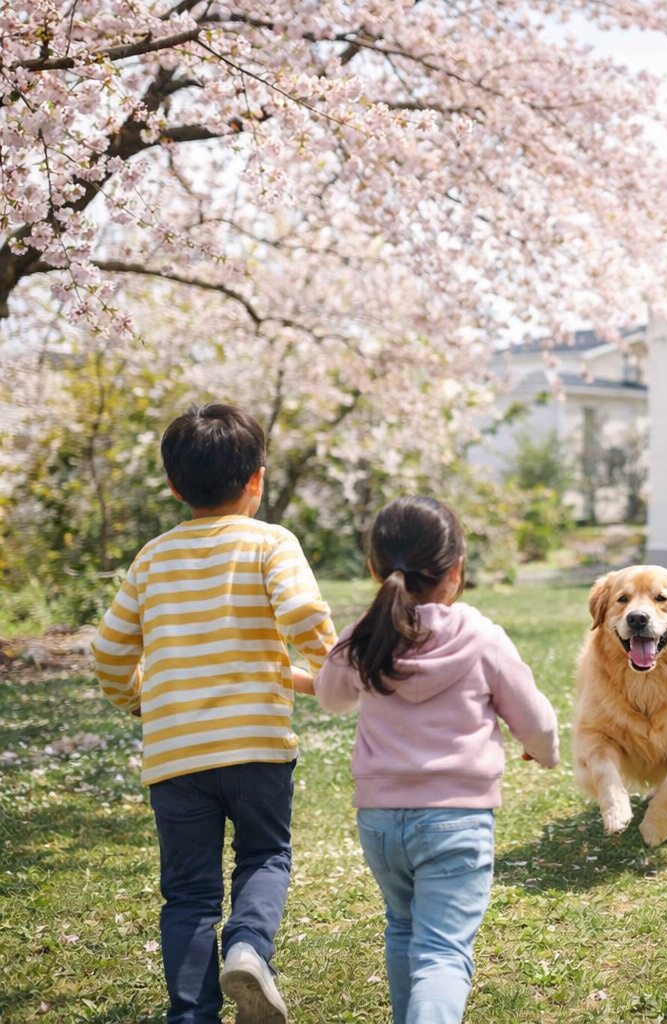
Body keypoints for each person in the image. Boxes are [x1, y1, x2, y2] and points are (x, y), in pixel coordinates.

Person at [92, 403, 337, 1024]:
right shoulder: (270, 541)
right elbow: (304, 615)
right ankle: (250, 948)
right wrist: (334, 667)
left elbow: (109, 650)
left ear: (174, 486)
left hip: (175, 756)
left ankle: (192, 1014)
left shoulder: (151, 559)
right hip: (256, 745)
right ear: (257, 479)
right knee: (264, 857)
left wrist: (140, 700)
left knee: (189, 893)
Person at [315, 495, 559, 1024]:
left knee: (404, 929)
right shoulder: (482, 637)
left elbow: (331, 697)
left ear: (376, 568)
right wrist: (545, 752)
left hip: (379, 823)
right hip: (457, 821)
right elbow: (535, 721)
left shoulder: (364, 635)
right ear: (456, 571)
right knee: (443, 952)